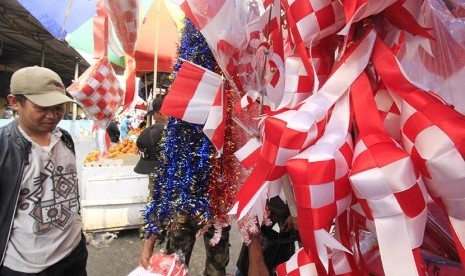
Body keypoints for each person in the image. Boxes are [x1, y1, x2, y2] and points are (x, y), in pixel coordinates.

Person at [0, 66, 88, 275]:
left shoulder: (64, 138)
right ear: (14, 102)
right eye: (42, 107)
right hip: (26, 266)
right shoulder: (4, 147)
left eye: (59, 107)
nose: (53, 115)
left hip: (73, 253)